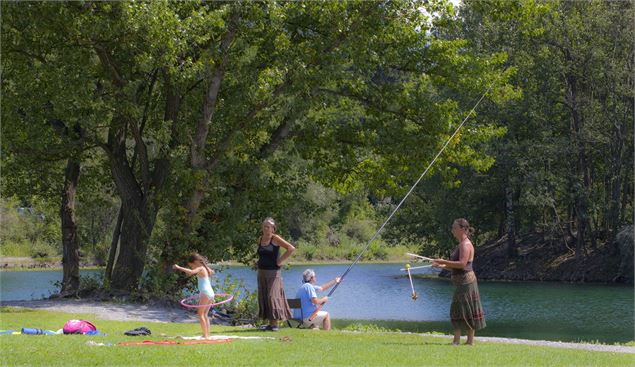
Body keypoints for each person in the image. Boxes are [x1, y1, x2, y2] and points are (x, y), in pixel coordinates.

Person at [432, 218, 486, 345]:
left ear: (462, 229)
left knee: (460, 309)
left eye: (454, 228)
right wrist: (443, 266)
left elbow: (462, 264)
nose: (452, 230)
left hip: (466, 282)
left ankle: (459, 341)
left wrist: (443, 261)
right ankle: (467, 341)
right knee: (464, 310)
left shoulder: (465, 245)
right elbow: (458, 265)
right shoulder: (461, 244)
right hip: (463, 282)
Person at [256, 217, 295, 331]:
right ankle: (270, 323)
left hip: (273, 273)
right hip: (261, 272)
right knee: (264, 296)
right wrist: (257, 262)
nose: (266, 228)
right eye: (264, 226)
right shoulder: (260, 239)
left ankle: (275, 324)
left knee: (272, 296)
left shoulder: (275, 238)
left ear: (273, 229)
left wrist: (280, 260)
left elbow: (291, 248)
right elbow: (262, 254)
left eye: (269, 227)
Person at [173, 253, 215, 339]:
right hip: (211, 293)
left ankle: (206, 336)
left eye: (191, 265)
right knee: (205, 315)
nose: (192, 267)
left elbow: (191, 272)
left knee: (200, 314)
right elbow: (211, 272)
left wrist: (178, 267)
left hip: (206, 293)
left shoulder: (200, 268)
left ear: (195, 262)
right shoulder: (206, 269)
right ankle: (206, 335)